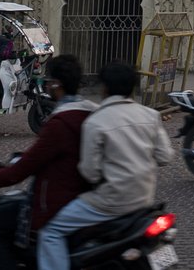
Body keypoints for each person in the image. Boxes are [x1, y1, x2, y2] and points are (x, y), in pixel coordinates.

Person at [0, 53, 94, 270]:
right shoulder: (89, 113)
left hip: (55, 201)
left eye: (48, 81)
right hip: (79, 196)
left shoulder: (60, 123)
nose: (46, 86)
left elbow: (18, 173)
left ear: (56, 84)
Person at [39, 60, 172, 270]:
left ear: (105, 88)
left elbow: (90, 172)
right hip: (145, 199)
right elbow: (165, 156)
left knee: (50, 232)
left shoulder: (96, 121)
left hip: (109, 201)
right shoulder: (150, 115)